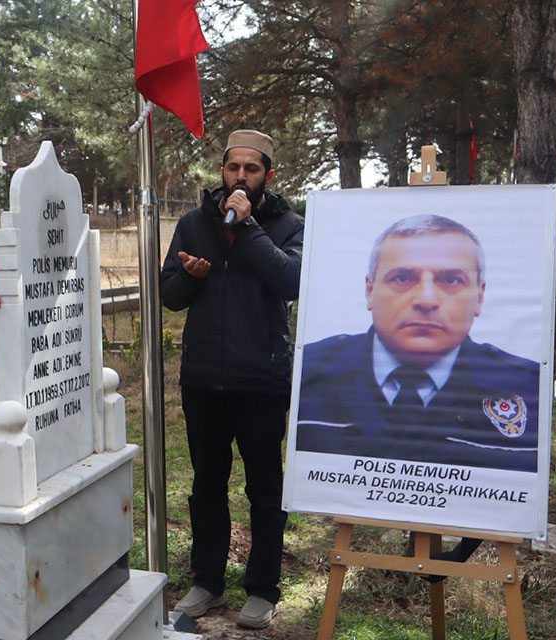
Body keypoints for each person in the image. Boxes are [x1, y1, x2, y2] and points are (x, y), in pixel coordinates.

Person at [160, 129, 303, 629]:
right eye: (232, 168)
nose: (240, 177)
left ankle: (262, 588)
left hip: (262, 380)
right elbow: (170, 295)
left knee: (264, 489)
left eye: (252, 169)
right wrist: (190, 276)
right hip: (204, 379)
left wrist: (246, 229)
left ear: (267, 174)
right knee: (206, 486)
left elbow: (291, 280)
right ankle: (207, 581)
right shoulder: (194, 223)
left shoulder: (289, 225)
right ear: (222, 170)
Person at [295, 214, 540, 473]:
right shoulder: (311, 372)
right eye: (402, 278)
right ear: (370, 291)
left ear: (479, 297)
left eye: (451, 280)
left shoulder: (525, 385)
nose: (426, 299)